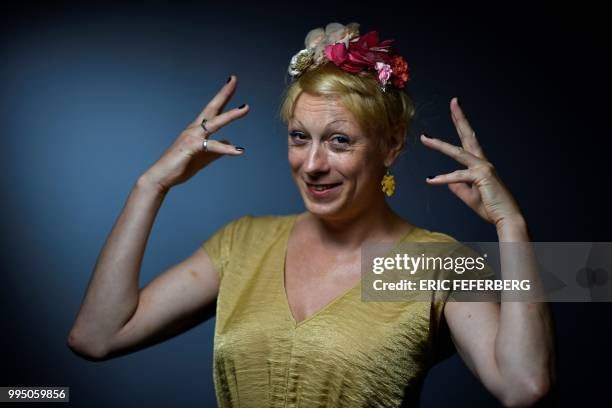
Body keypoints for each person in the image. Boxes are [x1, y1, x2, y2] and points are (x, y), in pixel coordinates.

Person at [67, 22, 556, 407]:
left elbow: (522, 386)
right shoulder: (245, 243)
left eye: (339, 140)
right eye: (300, 137)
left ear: (391, 145)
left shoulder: (426, 264)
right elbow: (96, 336)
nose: (313, 164)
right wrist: (150, 185)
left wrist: (511, 228)